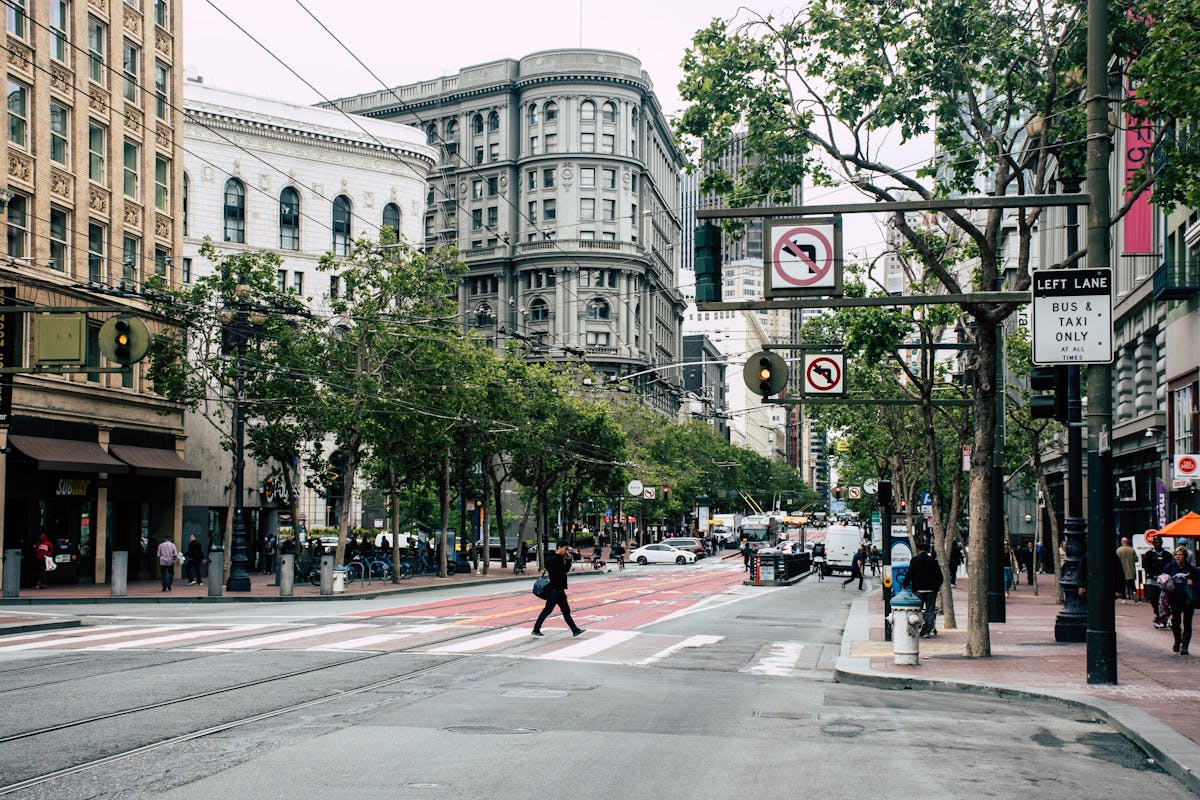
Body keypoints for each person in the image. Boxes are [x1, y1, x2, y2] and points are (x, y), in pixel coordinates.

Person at [532, 542, 585, 637]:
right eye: (565, 549)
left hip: (559, 589)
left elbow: (565, 570)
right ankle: (536, 629)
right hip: (554, 590)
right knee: (548, 610)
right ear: (559, 547)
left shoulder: (561, 558)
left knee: (565, 611)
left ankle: (575, 630)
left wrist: (568, 560)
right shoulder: (553, 559)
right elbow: (556, 574)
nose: (566, 551)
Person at [1163, 545, 1199, 655]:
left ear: (1185, 556)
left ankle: (1185, 645)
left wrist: (1193, 583)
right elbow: (1163, 578)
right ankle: (1177, 640)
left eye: (1180, 555)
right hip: (1174, 598)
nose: (1178, 557)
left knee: (1187, 623)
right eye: (1176, 555)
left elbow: (1198, 582)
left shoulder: (1191, 569)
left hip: (1188, 599)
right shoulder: (1170, 567)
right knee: (1175, 622)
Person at [905, 543, 945, 637]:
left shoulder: (915, 560)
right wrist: (936, 587)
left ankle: (918, 625)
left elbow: (910, 574)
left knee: (917, 609)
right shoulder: (933, 561)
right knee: (930, 610)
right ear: (927, 550)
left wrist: (906, 583)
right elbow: (940, 577)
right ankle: (927, 631)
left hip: (918, 589)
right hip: (931, 590)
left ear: (918, 549)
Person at [1142, 534, 1171, 628]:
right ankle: (1158, 614)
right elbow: (1146, 566)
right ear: (1153, 543)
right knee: (1153, 598)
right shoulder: (1149, 554)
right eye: (1156, 542)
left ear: (1162, 543)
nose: (1158, 544)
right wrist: (1153, 575)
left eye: (1159, 542)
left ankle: (1164, 616)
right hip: (1153, 580)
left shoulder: (1167, 555)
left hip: (1164, 581)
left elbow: (1170, 566)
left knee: (1164, 600)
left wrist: (1166, 576)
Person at [1115, 536, 1137, 603]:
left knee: (1123, 585)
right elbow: (1136, 559)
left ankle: (1124, 598)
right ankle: (1134, 592)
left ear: (1122, 542)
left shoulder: (1118, 550)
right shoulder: (1131, 550)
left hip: (1122, 570)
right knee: (1131, 583)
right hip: (1130, 569)